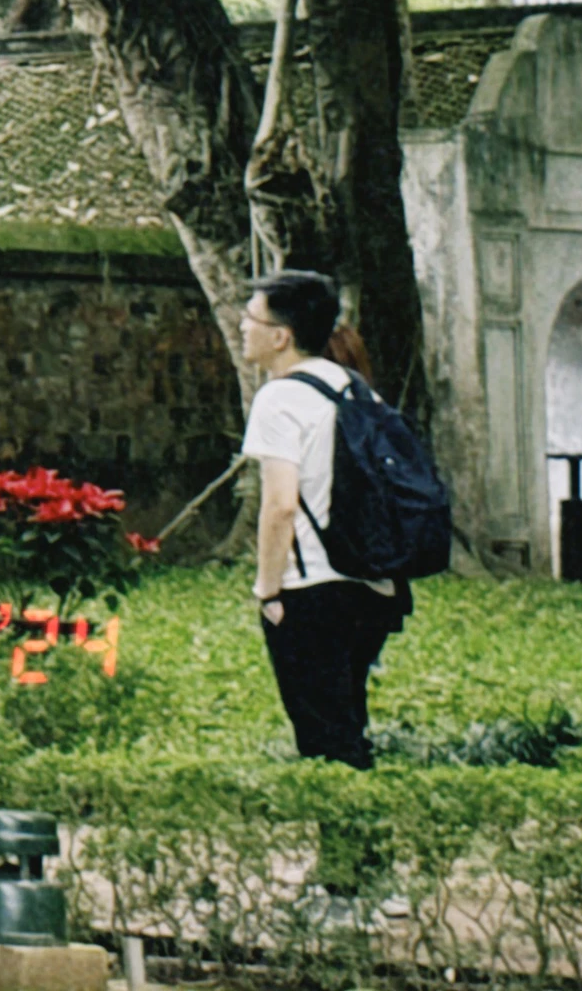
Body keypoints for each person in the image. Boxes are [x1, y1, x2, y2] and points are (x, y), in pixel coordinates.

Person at [243, 265, 412, 917]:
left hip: (309, 588)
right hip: (370, 584)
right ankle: (366, 873)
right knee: (349, 726)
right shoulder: (350, 384)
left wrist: (267, 588)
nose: (244, 329)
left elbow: (280, 506)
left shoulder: (279, 399)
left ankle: (351, 886)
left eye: (252, 321)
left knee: (323, 737)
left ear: (282, 335)